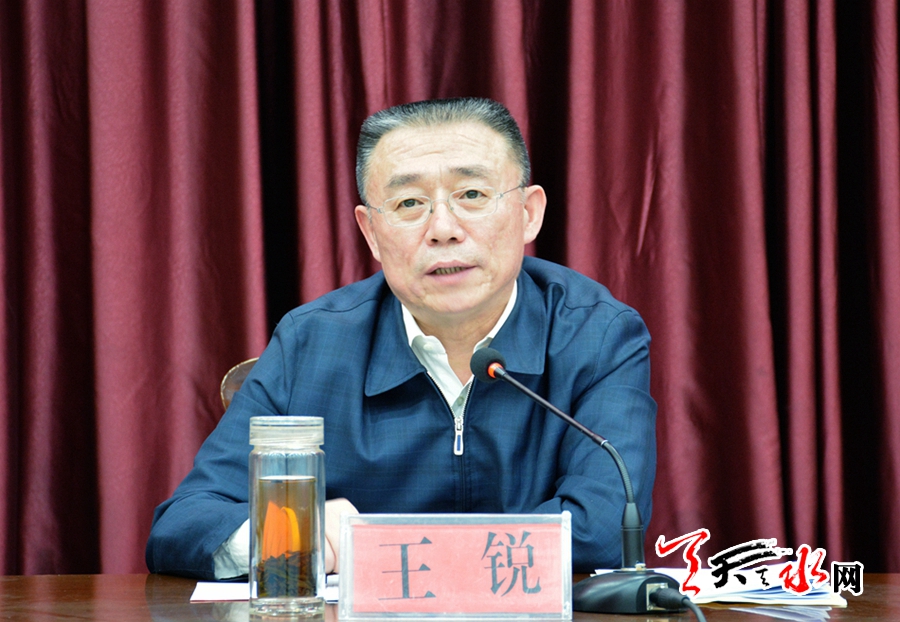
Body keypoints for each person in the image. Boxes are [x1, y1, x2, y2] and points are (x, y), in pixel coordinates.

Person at [146, 97, 657, 579]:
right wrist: (295, 537)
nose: (443, 229)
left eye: (472, 195)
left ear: (529, 213)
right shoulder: (312, 343)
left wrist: (373, 548)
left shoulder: (596, 336)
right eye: (410, 202)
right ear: (371, 232)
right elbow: (185, 525)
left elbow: (603, 530)